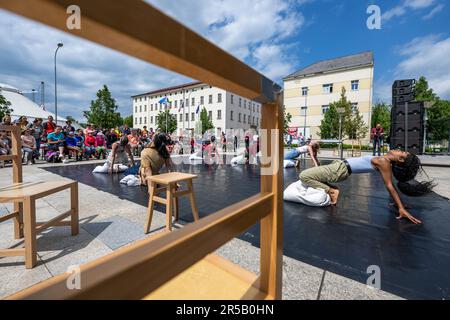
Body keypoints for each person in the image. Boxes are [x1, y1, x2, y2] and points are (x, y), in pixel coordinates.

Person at [299, 150, 435, 224]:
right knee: (310, 176)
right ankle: (331, 189)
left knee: (304, 176)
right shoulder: (385, 161)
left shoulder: (384, 162)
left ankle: (332, 191)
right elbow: (391, 184)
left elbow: (389, 185)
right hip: (339, 166)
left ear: (400, 159)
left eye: (401, 152)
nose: (397, 149)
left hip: (339, 170)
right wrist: (399, 203)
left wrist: (400, 208)